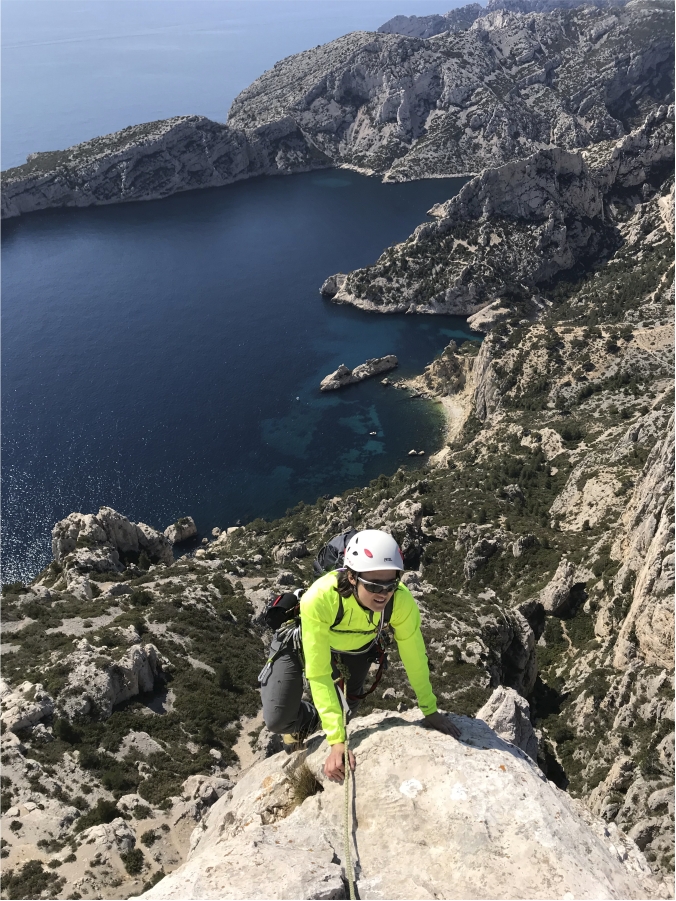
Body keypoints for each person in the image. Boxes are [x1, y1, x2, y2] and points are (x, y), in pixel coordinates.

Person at [260, 529, 460, 783]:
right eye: (374, 585)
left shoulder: (400, 602)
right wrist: (337, 742)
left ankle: (312, 721)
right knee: (278, 720)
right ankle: (299, 723)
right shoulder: (320, 599)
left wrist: (429, 710)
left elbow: (414, 657)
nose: (383, 593)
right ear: (352, 577)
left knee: (345, 713)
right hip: (301, 639)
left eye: (391, 584)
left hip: (356, 648)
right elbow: (319, 672)